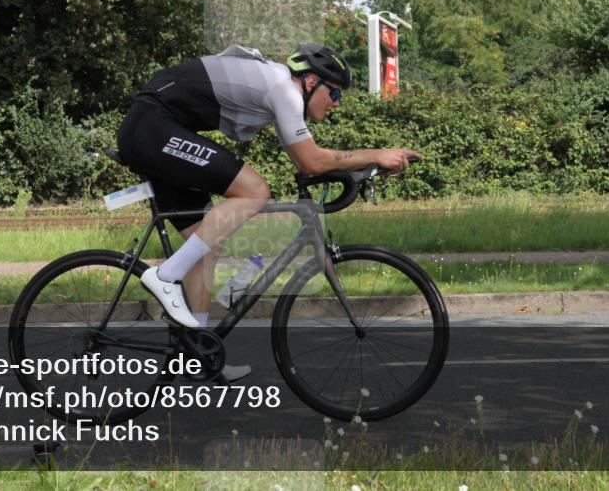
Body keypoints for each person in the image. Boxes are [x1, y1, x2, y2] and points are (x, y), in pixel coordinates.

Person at [116, 44, 421, 379]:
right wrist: (376, 154)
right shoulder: (284, 91)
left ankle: (196, 352)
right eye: (334, 92)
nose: (336, 102)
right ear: (310, 82)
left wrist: (356, 172)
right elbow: (311, 160)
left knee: (204, 245)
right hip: (153, 127)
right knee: (255, 191)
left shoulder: (280, 96)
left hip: (156, 130)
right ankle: (164, 276)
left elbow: (309, 164)